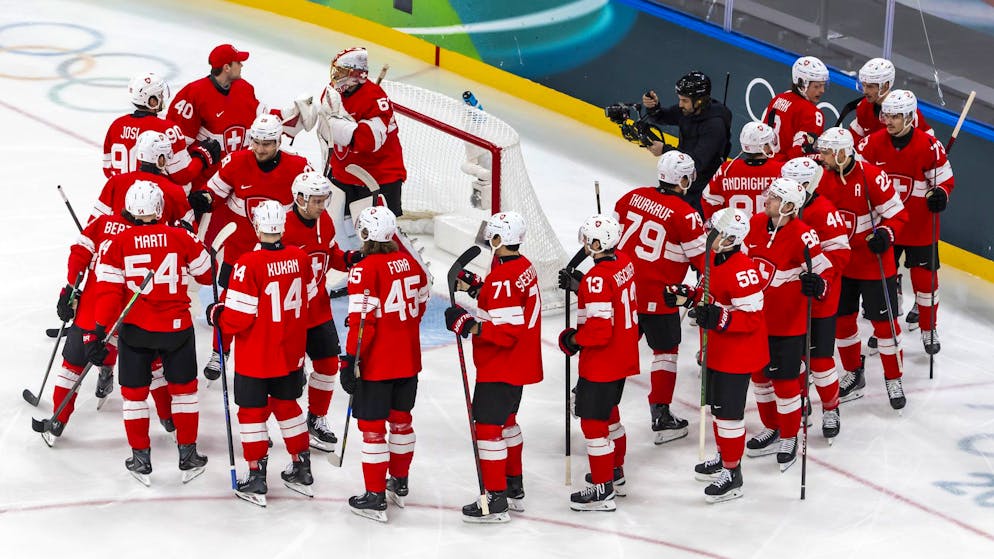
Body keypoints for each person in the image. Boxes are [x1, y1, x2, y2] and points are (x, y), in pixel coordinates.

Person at [89, 181, 214, 486]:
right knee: (184, 394)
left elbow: (107, 294)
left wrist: (97, 333)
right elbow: (208, 274)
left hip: (136, 332)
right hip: (177, 330)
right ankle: (188, 455)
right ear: (159, 209)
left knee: (134, 397)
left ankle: (141, 458)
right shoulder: (180, 236)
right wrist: (198, 246)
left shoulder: (117, 243)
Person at [206, 200, 318, 506]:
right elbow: (308, 297)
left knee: (252, 413)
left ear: (256, 226)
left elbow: (238, 318)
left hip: (257, 355)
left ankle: (256, 475)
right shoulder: (300, 258)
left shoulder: (247, 264)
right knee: (288, 407)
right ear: (283, 225)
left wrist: (217, 314)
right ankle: (301, 466)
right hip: (291, 352)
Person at [443, 211, 543, 523]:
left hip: (501, 365)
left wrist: (468, 325)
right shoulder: (520, 266)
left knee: (487, 429)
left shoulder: (504, 277)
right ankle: (513, 487)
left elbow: (507, 329)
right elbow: (503, 301)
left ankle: (495, 499)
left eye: (493, 234)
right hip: (518, 364)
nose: (488, 237)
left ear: (501, 238)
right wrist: (477, 288)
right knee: (508, 423)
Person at [664, 207, 768, 503]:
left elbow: (752, 318)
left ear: (731, 238)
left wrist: (719, 318)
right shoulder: (712, 259)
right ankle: (725, 458)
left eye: (714, 230)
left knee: (730, 416)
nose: (708, 234)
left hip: (738, 354)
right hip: (718, 350)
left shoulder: (743, 269)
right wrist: (684, 294)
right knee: (719, 411)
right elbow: (705, 294)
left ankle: (733, 474)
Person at [201, 114, 313, 381]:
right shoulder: (236, 162)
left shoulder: (298, 167)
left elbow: (312, 204)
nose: (260, 149)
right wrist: (198, 201)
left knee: (286, 311)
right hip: (240, 254)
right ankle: (220, 350)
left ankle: (294, 358)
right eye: (257, 142)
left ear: (278, 141)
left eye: (267, 143)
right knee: (229, 304)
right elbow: (212, 193)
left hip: (280, 256)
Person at [339, 206, 430, 523]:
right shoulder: (411, 264)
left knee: (374, 431)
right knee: (402, 421)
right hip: (408, 360)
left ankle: (375, 495)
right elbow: (419, 306)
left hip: (377, 365)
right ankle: (400, 483)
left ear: (364, 234)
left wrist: (351, 360)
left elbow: (364, 324)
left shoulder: (365, 269)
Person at [612, 150, 705, 444]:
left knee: (615, 350)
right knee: (665, 352)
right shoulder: (686, 215)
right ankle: (661, 413)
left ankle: (586, 396)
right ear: (685, 179)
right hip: (659, 296)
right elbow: (706, 264)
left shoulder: (630, 197)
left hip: (622, 290)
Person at [740, 178, 832, 472]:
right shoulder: (755, 224)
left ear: (791, 207)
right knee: (760, 378)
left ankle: (790, 435)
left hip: (787, 325)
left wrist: (816, 285)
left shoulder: (804, 235)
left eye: (775, 197)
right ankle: (773, 426)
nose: (768, 199)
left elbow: (825, 274)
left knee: (784, 383)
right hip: (756, 320)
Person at [816, 127, 908, 410]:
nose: (822, 158)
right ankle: (854, 373)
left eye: (827, 153)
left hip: (873, 264)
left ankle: (894, 377)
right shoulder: (821, 178)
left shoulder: (872, 177)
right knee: (843, 322)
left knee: (885, 326)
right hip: (839, 264)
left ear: (843, 153)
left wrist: (887, 234)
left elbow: (898, 214)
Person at [856, 90, 953, 354]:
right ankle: (885, 329)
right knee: (883, 283)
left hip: (920, 228)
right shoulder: (871, 144)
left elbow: (945, 180)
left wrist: (940, 194)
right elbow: (858, 179)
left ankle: (928, 326)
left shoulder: (929, 146)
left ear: (910, 117)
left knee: (925, 282)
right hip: (886, 228)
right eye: (886, 115)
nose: (888, 120)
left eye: (895, 116)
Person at [557, 214, 639, 512]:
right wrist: (581, 287)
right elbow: (612, 299)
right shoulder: (625, 262)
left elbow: (600, 330)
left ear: (596, 243)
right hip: (623, 355)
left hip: (602, 361)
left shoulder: (596, 278)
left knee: (593, 425)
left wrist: (573, 340)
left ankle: (603, 489)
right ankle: (615, 473)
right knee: (611, 414)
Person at [170, 44, 316, 206]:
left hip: (239, 181)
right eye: (238, 62)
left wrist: (292, 115)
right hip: (205, 184)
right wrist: (185, 181)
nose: (241, 65)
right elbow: (176, 145)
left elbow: (264, 119)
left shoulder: (244, 88)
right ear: (226, 67)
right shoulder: (193, 94)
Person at [281, 171, 362, 452]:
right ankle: (264, 425)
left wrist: (350, 259)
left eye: (324, 200)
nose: (321, 206)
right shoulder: (281, 226)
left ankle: (316, 418)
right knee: (284, 378)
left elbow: (329, 255)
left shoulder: (323, 220)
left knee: (327, 367)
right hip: (288, 317)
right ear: (299, 198)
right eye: (316, 201)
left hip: (318, 311)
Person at [48, 206, 132, 446]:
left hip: (92, 308)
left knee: (72, 365)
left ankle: (58, 420)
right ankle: (106, 372)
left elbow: (79, 254)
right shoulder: (153, 233)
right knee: (115, 344)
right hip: (130, 312)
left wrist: (70, 290)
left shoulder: (103, 223)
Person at [782, 157, 851, 440]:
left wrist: (820, 279)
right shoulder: (781, 211)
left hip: (819, 297)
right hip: (789, 299)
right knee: (793, 358)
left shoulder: (823, 211)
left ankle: (831, 408)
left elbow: (841, 254)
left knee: (820, 359)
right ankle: (799, 403)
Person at [316, 47, 407, 250]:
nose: (336, 76)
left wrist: (336, 124)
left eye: (342, 72)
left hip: (378, 179)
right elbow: (324, 129)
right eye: (336, 71)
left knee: (378, 238)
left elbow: (367, 142)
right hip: (343, 175)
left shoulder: (377, 100)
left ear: (357, 74)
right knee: (339, 231)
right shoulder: (332, 93)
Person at [640, 71, 733, 214]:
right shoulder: (689, 110)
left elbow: (698, 162)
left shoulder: (715, 125)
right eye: (680, 99)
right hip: (683, 182)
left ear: (700, 101)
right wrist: (653, 107)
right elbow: (662, 117)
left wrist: (665, 150)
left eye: (684, 100)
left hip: (703, 190)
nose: (680, 104)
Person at [103, 72, 221, 185]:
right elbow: (184, 175)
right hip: (153, 201)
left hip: (121, 200)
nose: (162, 98)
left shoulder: (116, 125)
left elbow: (108, 169)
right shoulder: (167, 129)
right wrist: (202, 156)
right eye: (159, 95)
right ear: (152, 101)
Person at [90, 130, 195, 229]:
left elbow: (94, 222)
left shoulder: (115, 181)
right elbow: (190, 230)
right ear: (161, 159)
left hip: (118, 245)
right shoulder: (174, 190)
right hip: (154, 247)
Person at [702, 122, 784, 219]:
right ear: (764, 147)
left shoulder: (727, 169)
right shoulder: (781, 170)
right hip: (766, 232)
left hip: (735, 231)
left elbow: (709, 199)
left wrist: (720, 225)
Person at [762, 56, 828, 160]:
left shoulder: (778, 99)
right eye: (817, 86)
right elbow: (802, 156)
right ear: (802, 84)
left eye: (823, 85)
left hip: (767, 163)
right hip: (786, 170)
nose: (822, 90)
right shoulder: (812, 113)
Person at [849, 58, 933, 140]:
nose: (865, 91)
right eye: (863, 85)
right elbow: (855, 138)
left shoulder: (906, 109)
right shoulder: (863, 106)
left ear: (885, 86)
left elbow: (927, 142)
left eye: (870, 87)